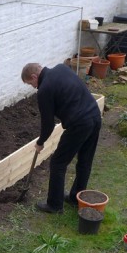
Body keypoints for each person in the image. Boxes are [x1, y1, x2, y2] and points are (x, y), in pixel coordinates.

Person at [21, 62, 102, 213]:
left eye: (31, 83)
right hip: (95, 115)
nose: (33, 87)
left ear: (34, 76)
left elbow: (48, 124)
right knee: (85, 161)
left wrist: (40, 142)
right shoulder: (62, 68)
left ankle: (54, 205)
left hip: (79, 124)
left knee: (58, 162)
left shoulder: (44, 90)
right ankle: (76, 198)